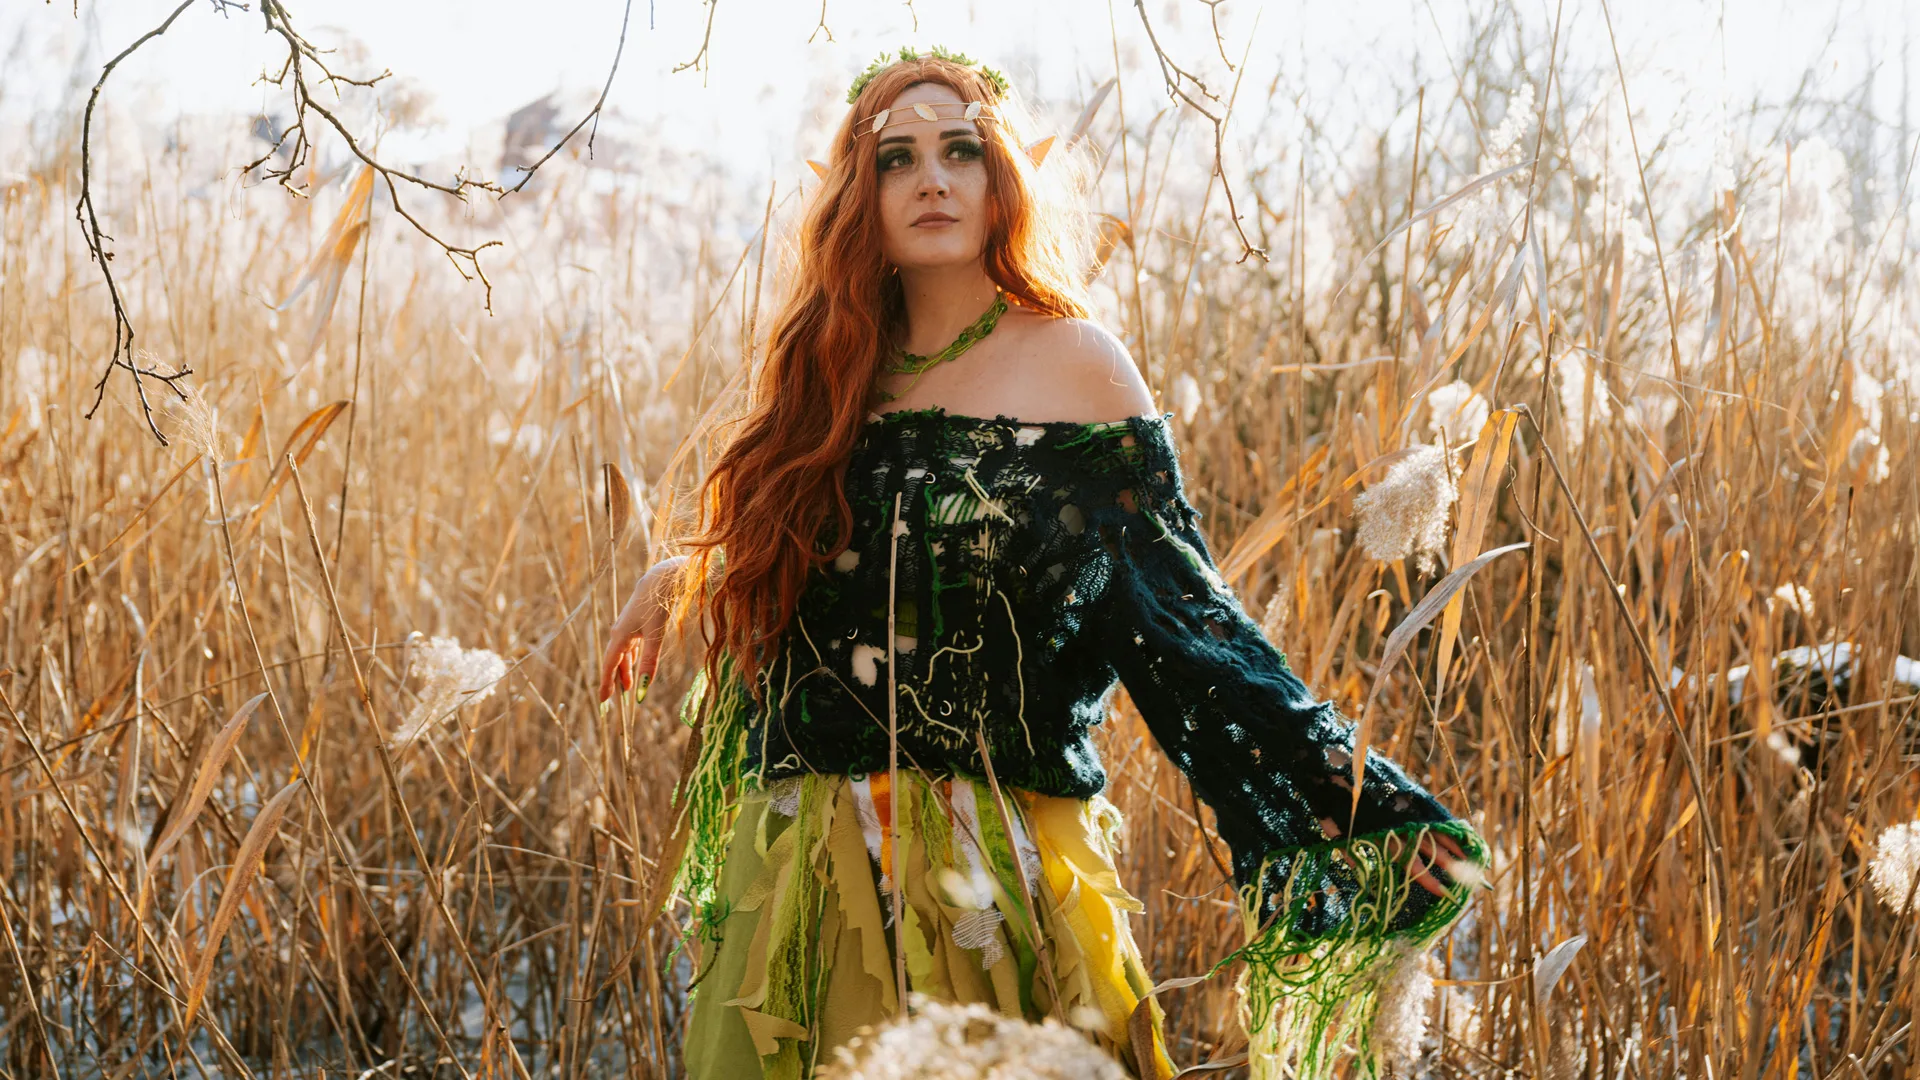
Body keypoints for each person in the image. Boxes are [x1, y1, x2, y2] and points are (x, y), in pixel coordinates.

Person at [596, 46, 1486, 1080]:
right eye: (897, 158)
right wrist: (681, 577)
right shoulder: (825, 376)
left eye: (960, 150)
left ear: (997, 176)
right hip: (801, 882)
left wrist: (1353, 796)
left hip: (990, 875)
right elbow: (806, 569)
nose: (932, 178)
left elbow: (1189, 626)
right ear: (859, 193)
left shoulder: (1076, 366)